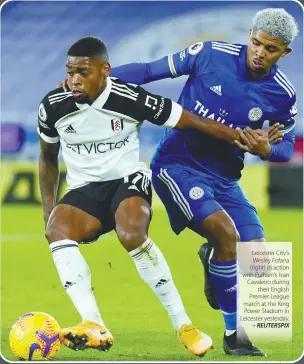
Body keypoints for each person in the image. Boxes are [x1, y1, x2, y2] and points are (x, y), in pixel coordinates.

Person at [37, 36, 261, 356]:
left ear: (105, 71)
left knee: (131, 233)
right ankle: (92, 323)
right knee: (55, 231)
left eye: (83, 72)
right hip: (84, 189)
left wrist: (238, 137)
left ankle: (184, 325)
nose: (74, 79)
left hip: (128, 181)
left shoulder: (129, 98)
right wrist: (49, 208)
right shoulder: (53, 106)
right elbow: (47, 156)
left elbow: (188, 119)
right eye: (70, 71)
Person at [107, 8, 299, 356]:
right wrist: (101, 81)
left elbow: (286, 147)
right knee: (226, 234)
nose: (260, 52)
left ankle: (215, 259)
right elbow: (150, 71)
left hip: (225, 178)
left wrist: (267, 148)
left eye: (270, 49)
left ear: (284, 52)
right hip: (176, 166)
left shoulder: (282, 94)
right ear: (250, 34)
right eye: (256, 42)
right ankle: (235, 338)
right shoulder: (209, 53)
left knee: (256, 255)